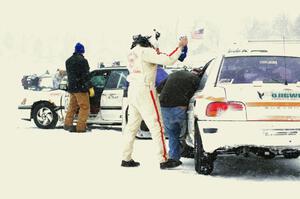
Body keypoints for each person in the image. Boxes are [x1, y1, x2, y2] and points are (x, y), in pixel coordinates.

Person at [121, 34, 188, 169]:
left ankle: (125, 158)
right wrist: (180, 47)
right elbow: (168, 59)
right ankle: (163, 160)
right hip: (145, 89)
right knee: (156, 126)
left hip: (133, 90)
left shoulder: (132, 52)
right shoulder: (146, 51)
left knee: (131, 128)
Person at [159, 68, 202, 165]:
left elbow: (159, 88)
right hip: (180, 106)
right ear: (199, 74)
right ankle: (185, 151)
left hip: (164, 105)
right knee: (184, 133)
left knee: (172, 134)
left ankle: (174, 157)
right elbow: (197, 93)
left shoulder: (174, 74)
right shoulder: (195, 79)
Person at [64, 42, 94, 133]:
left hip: (72, 88)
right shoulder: (83, 61)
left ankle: (67, 124)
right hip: (81, 88)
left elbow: (71, 75)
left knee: (72, 107)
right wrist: (90, 87)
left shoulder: (68, 60)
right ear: (82, 50)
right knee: (84, 107)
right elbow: (86, 76)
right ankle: (81, 127)